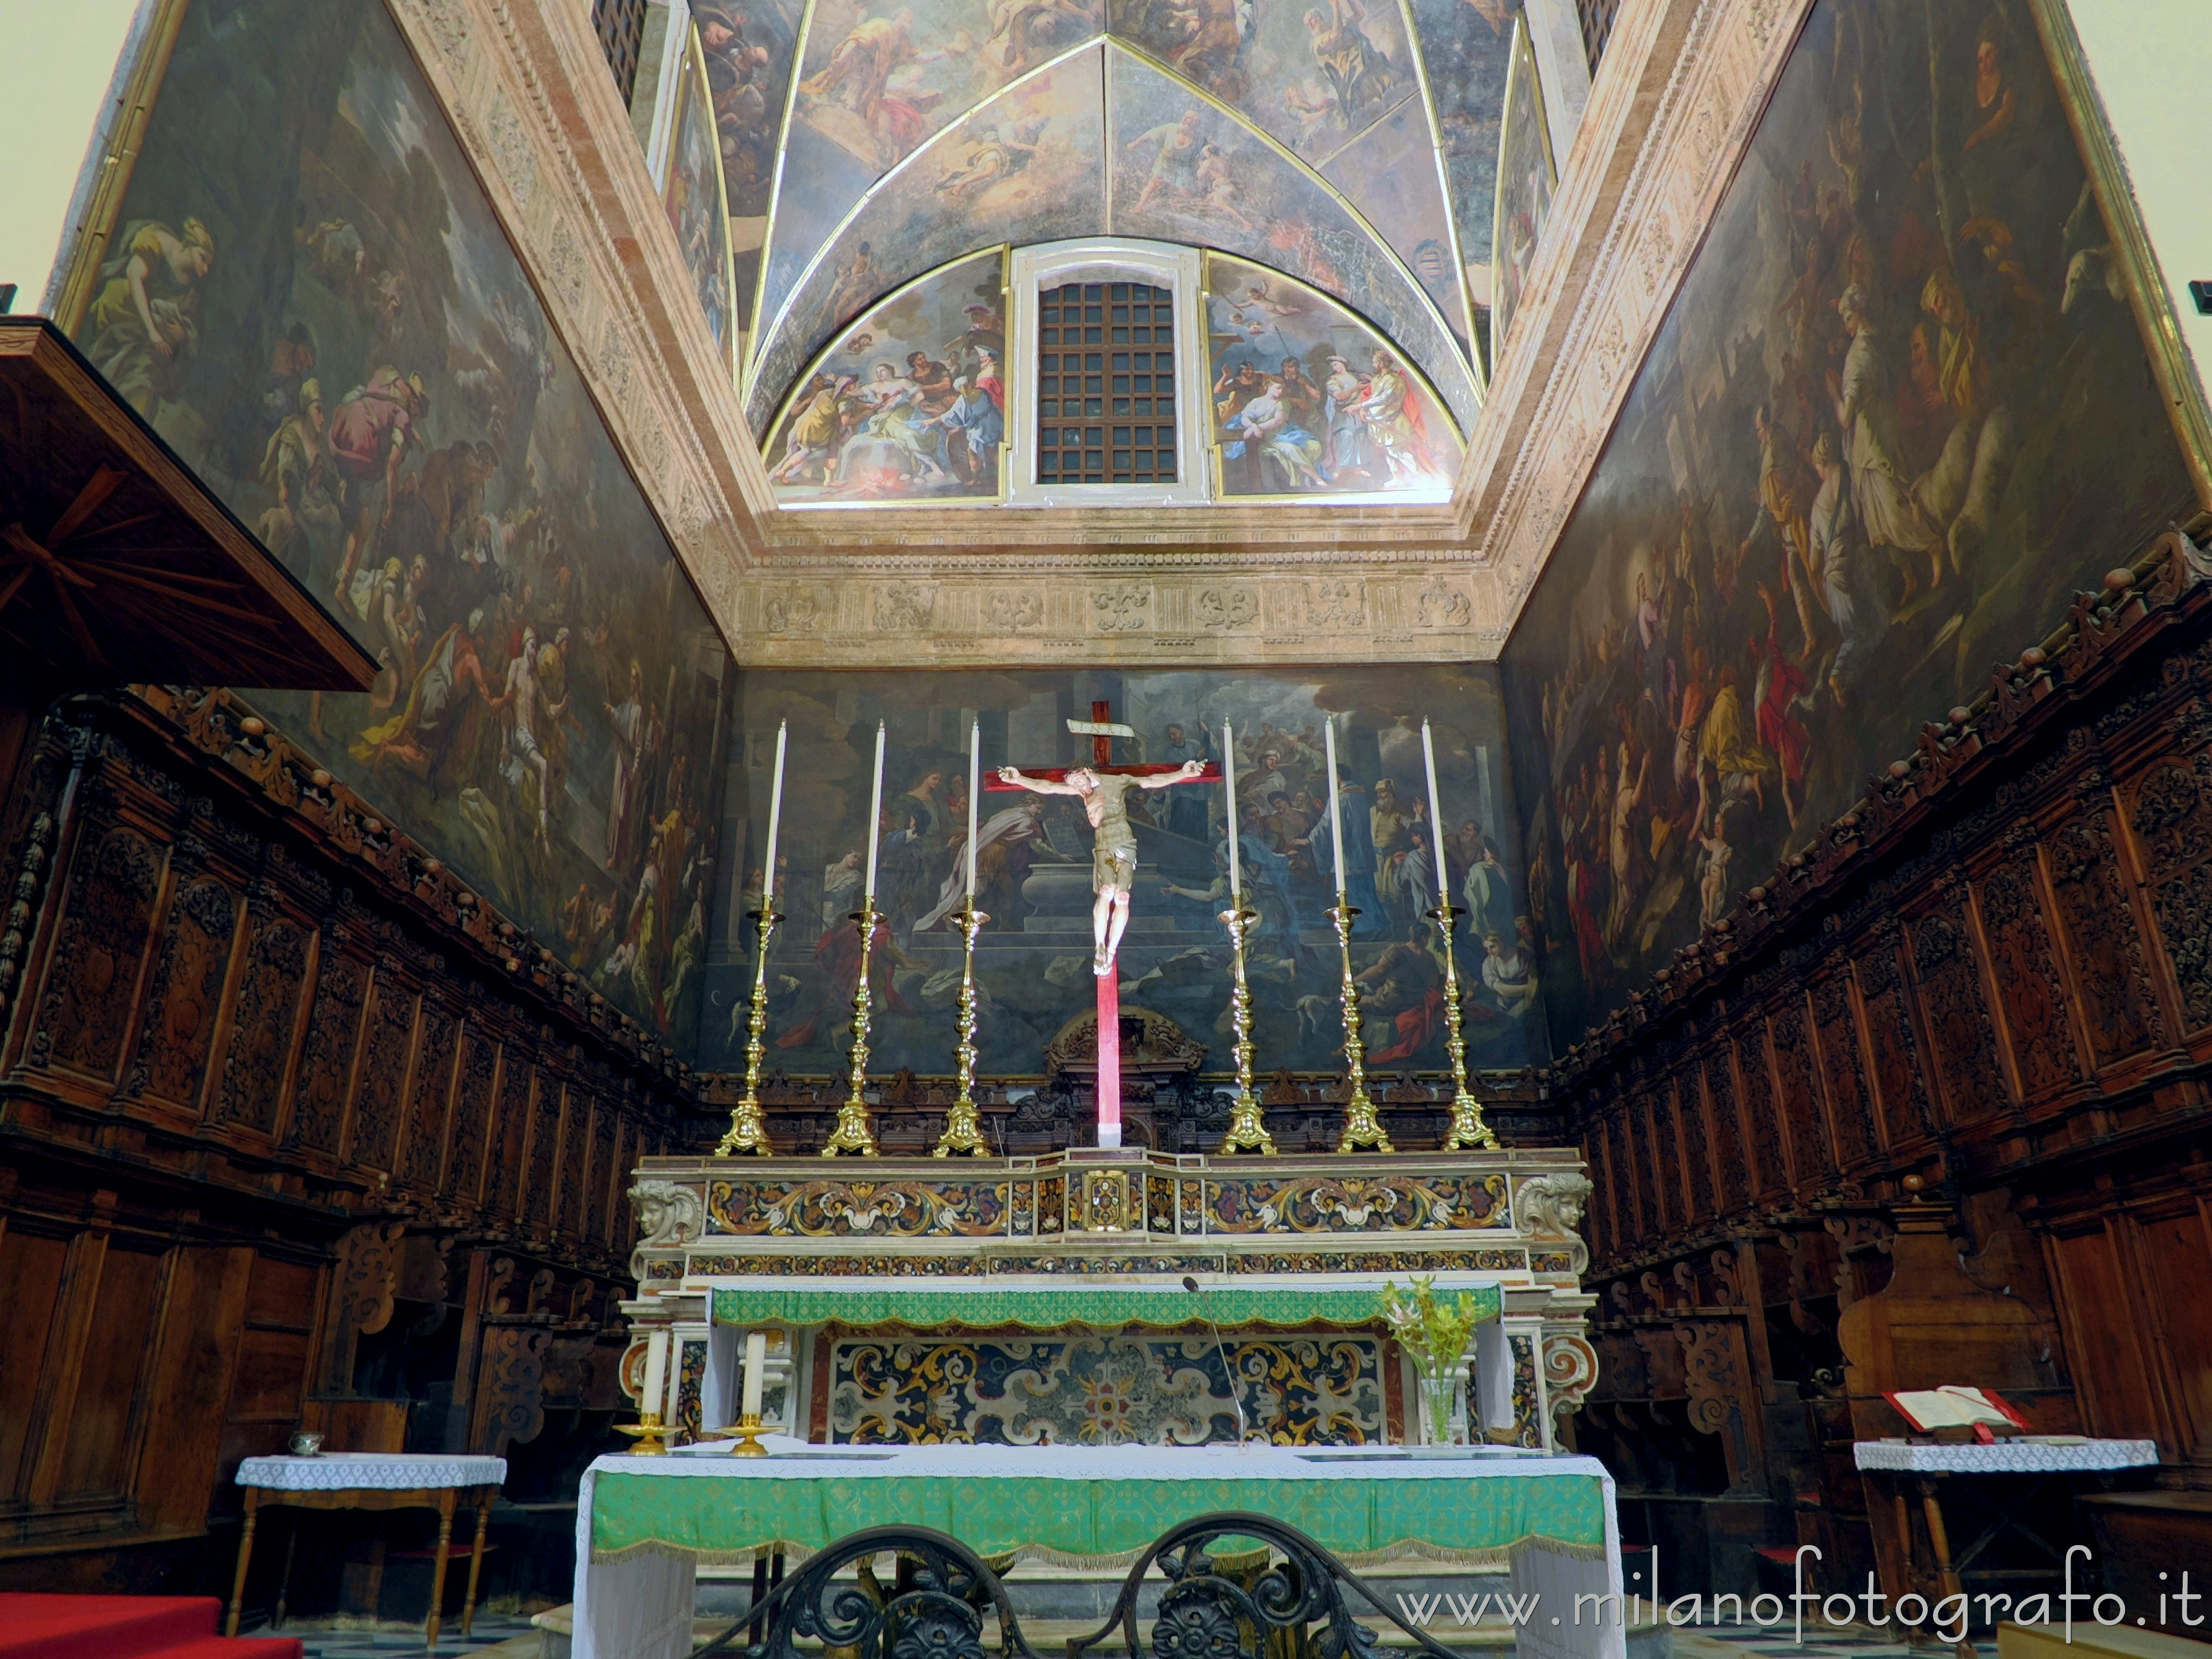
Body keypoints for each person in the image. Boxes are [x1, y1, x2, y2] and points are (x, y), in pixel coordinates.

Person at [997, 759, 1207, 974]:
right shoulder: (1083, 793)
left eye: (1078, 781)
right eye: (1073, 785)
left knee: (1123, 896)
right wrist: (1019, 779)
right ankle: (1099, 946)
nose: (1077, 788)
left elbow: (1152, 781)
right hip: (1104, 848)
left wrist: (1183, 774)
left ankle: (1112, 951)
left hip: (1125, 845)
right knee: (1106, 891)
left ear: (1086, 772)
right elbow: (1049, 788)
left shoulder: (1118, 782)